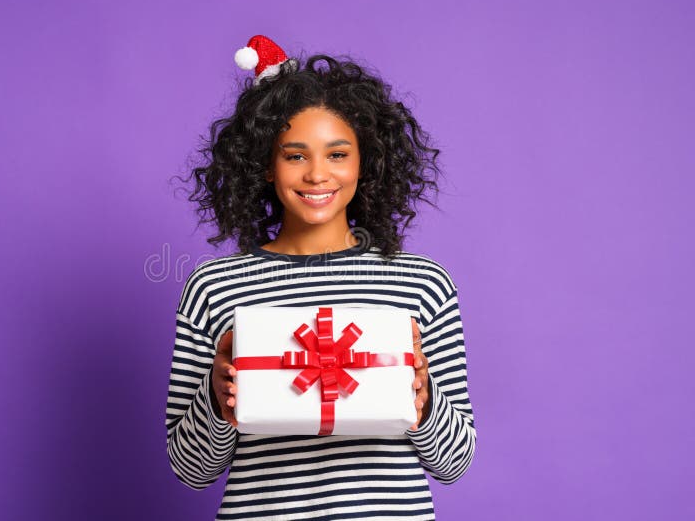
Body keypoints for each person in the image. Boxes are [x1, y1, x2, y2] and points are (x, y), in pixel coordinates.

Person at [165, 34, 476, 520]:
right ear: (265, 165)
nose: (316, 175)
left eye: (336, 154)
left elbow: (454, 463)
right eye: (294, 155)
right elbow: (190, 469)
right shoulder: (214, 286)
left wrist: (424, 396)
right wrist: (215, 395)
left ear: (363, 162)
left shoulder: (422, 284)